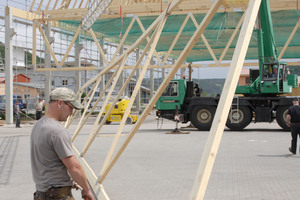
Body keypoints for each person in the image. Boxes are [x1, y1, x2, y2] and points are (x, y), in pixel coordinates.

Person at [30, 87, 94, 200]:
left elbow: (48, 160)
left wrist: (68, 180)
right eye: (71, 108)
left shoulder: (38, 126)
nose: (71, 113)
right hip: (58, 195)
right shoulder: (57, 131)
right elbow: (75, 168)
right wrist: (86, 189)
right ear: (60, 103)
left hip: (41, 193)